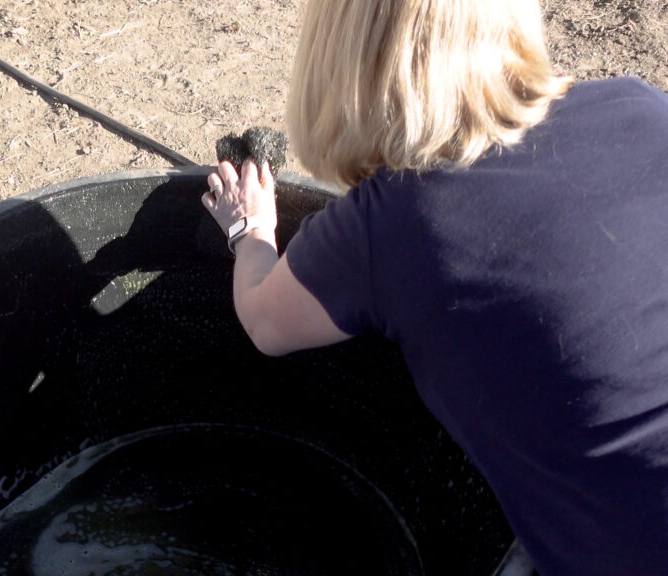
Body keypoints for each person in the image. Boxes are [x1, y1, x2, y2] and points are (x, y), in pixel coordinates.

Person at [201, 1, 668, 575]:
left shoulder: (397, 218)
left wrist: (251, 230)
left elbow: (265, 322)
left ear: (347, 67)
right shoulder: (642, 106)